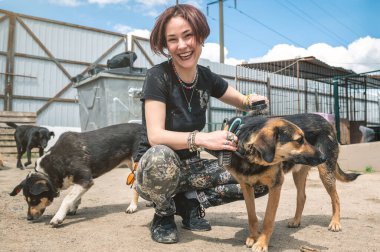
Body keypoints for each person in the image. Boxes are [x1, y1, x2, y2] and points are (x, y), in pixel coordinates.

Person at [133, 4, 269, 244]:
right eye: (172, 40)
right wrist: (203, 138)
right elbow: (155, 136)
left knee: (259, 178)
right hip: (157, 170)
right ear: (166, 46)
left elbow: (240, 99)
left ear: (200, 35)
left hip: (190, 168)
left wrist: (251, 100)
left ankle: (189, 203)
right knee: (159, 156)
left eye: (188, 35)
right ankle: (163, 214)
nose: (183, 45)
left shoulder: (205, 76)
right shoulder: (158, 76)